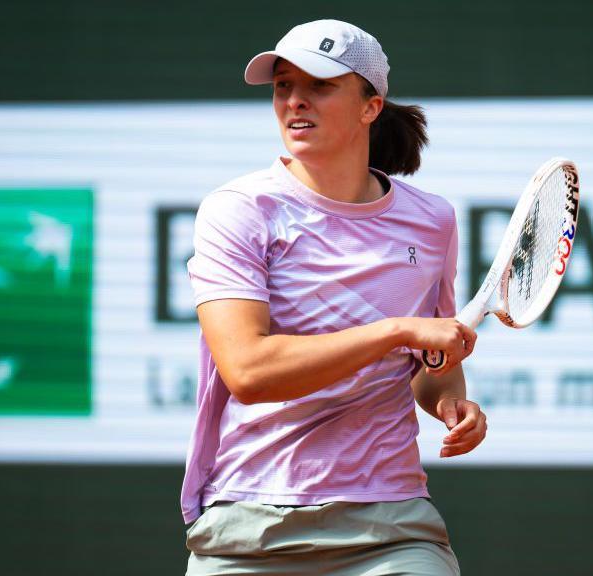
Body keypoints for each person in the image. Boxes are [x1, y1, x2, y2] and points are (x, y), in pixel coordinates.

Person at [181, 19, 487, 575]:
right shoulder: (238, 210)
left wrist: (447, 401)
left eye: (319, 86)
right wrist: (397, 331)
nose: (295, 101)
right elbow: (249, 371)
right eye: (282, 86)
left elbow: (428, 363)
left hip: (390, 526)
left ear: (371, 106)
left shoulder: (432, 220)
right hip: (250, 525)